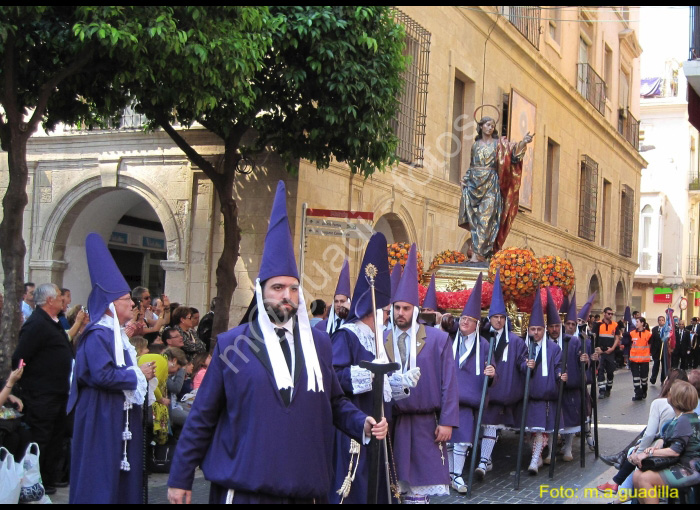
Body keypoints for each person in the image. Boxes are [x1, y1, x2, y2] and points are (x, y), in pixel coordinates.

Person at [167, 181, 387, 504]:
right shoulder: (232, 346)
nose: (287, 296)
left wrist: (363, 423)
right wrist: (180, 478)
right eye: (278, 288)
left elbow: (335, 403)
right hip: (244, 492)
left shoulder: (320, 345)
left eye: (294, 288)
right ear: (261, 292)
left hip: (304, 492)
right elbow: (202, 416)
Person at [67, 233, 155, 504]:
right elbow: (102, 374)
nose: (132, 303)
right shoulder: (97, 334)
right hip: (101, 414)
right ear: (111, 304)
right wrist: (139, 374)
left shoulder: (115, 334)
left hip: (115, 412)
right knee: (100, 473)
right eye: (127, 299)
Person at [329, 232, 408, 504]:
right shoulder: (347, 335)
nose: (387, 316)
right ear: (372, 309)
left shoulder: (378, 341)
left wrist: (397, 383)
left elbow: (383, 389)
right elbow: (335, 376)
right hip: (354, 428)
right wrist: (370, 375)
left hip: (379, 429)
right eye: (386, 311)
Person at [384, 243, 458, 504]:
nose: (400, 313)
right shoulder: (383, 339)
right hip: (393, 424)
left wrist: (447, 421)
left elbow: (449, 382)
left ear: (414, 311)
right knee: (394, 487)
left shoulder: (438, 340)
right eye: (396, 308)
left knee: (421, 489)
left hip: (427, 425)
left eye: (405, 308)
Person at [11, 283, 73, 494]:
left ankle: (48, 479)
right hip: (41, 394)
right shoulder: (36, 323)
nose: (63, 300)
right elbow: (20, 357)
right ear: (49, 300)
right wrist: (21, 383)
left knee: (56, 437)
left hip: (57, 392)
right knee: (41, 438)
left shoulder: (52, 322)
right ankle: (35, 481)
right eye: (59, 297)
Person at [597, 369, 688, 499]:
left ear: (668, 383)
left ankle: (620, 491)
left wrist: (641, 452)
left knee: (634, 458)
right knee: (635, 454)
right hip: (672, 450)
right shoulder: (690, 410)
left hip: (671, 455)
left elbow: (653, 435)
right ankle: (618, 487)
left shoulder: (661, 403)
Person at [459, 115, 534, 262]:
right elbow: (472, 165)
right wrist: (466, 180)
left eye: (492, 125)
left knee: (485, 219)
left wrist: (523, 143)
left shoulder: (499, 144)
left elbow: (513, 154)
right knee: (474, 219)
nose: (490, 127)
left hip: (491, 184)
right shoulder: (475, 145)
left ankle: (479, 254)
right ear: (481, 126)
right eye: (487, 124)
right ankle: (477, 252)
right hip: (474, 183)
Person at [477, 269, 528, 479]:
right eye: (495, 317)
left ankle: (483, 462)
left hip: (502, 393)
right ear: (489, 318)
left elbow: (522, 364)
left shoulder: (515, 341)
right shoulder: (481, 337)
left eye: (501, 317)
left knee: (490, 425)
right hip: (482, 391)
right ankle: (484, 459)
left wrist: (528, 366)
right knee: (481, 426)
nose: (498, 321)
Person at [447, 273, 495, 493]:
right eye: (462, 318)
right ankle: (447, 474)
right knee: (447, 439)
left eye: (469, 319)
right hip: (448, 399)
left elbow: (491, 369)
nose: (463, 322)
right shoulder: (448, 341)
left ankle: (456, 474)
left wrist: (492, 372)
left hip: (469, 400)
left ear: (477, 324)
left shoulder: (484, 345)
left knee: (463, 440)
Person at [519, 288, 564, 475]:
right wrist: (525, 366)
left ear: (544, 330)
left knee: (539, 431)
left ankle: (533, 461)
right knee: (531, 432)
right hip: (529, 395)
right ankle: (536, 457)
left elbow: (558, 367)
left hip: (545, 396)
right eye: (532, 329)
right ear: (528, 330)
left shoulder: (553, 349)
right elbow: (518, 366)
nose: (535, 333)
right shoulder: (524, 346)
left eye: (538, 330)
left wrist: (561, 375)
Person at [632, 381, 700, 504]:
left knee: (645, 479)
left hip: (689, 469)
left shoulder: (683, 420)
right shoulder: (685, 417)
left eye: (670, 392)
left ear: (675, 399)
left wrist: (649, 453)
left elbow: (674, 451)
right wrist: (660, 442)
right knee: (637, 475)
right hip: (684, 465)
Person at [551, 291, 588, 463]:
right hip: (553, 387)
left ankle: (567, 447)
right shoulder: (549, 342)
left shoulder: (575, 341)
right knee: (553, 419)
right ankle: (550, 449)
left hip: (571, 386)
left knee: (571, 419)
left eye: (574, 323)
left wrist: (586, 360)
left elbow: (582, 359)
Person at [314, 259, 351, 337]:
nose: (339, 304)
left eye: (342, 301)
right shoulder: (321, 327)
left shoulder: (354, 326)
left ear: (348, 302)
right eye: (336, 301)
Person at [594, 307, 621, 399]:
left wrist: (612, 348)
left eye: (611, 314)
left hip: (610, 351)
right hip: (600, 351)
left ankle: (608, 388)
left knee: (610, 371)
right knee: (600, 370)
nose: (610, 315)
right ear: (604, 313)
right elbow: (594, 338)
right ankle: (602, 390)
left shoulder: (615, 324)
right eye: (608, 313)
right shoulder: (598, 324)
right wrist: (598, 350)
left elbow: (617, 337)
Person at [629, 317, 652, 401]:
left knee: (644, 379)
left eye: (637, 322)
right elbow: (629, 344)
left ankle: (644, 390)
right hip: (634, 360)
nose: (636, 323)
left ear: (642, 323)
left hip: (644, 360)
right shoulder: (631, 333)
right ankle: (638, 394)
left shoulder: (648, 334)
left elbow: (650, 345)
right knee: (635, 378)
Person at [650, 315, 667, 385]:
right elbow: (652, 340)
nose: (661, 321)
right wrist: (651, 351)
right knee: (656, 364)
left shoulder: (667, 329)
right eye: (660, 320)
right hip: (656, 351)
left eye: (662, 320)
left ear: (664, 321)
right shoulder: (654, 329)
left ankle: (663, 379)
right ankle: (653, 378)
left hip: (664, 350)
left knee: (663, 365)